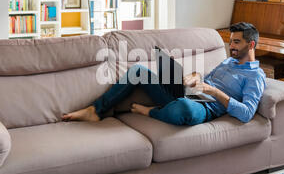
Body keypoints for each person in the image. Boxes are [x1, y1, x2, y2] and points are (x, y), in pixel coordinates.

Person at [62, 22, 266, 126]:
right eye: (230, 41)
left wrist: (214, 93)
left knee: (185, 108)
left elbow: (247, 113)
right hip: (188, 93)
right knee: (138, 71)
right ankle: (95, 110)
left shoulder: (255, 77)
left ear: (251, 44)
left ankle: (151, 111)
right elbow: (204, 79)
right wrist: (194, 76)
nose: (230, 46)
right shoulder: (228, 61)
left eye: (236, 42)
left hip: (206, 108)